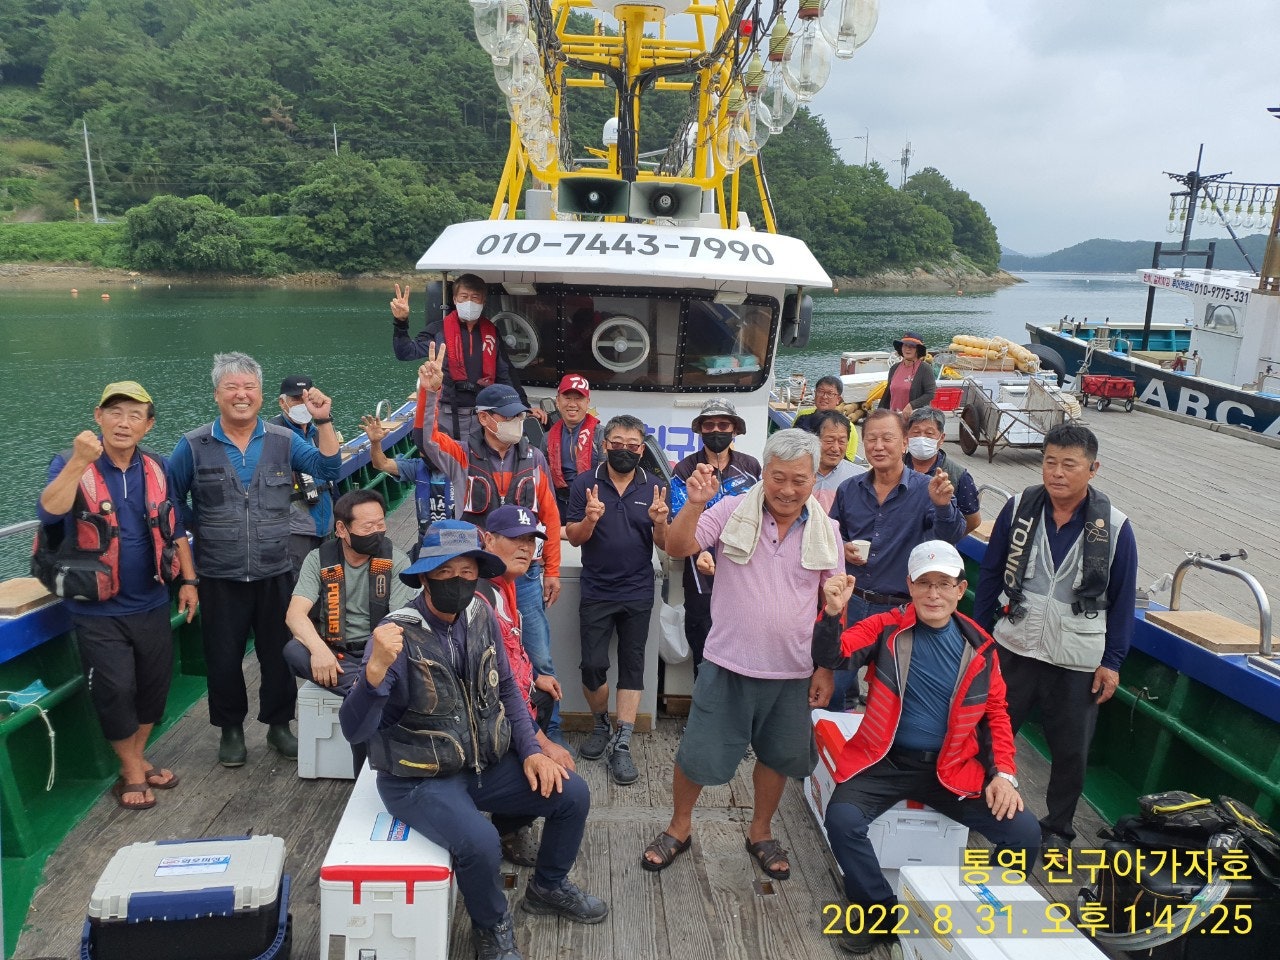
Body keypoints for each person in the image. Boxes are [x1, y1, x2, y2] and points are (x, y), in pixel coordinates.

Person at [339, 520, 606, 960]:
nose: (457, 582)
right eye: (444, 572)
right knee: (480, 842)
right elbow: (355, 730)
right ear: (425, 577)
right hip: (418, 778)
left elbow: (508, 690)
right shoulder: (395, 635)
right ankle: (491, 928)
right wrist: (373, 674)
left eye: (466, 572)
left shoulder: (481, 614)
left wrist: (533, 750)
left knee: (572, 793)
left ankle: (548, 886)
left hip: (483, 762)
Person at [812, 541, 1040, 955]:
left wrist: (1003, 774)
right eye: (924, 583)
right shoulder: (885, 627)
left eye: (944, 584)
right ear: (910, 586)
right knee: (843, 821)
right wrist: (831, 614)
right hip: (884, 760)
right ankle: (880, 913)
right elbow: (835, 654)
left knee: (1024, 833)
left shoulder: (981, 646)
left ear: (960, 589)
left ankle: (974, 911)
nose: (933, 594)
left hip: (951, 768)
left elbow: (996, 713)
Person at [641, 429, 839, 880]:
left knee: (777, 757)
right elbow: (676, 547)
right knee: (697, 755)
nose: (787, 490)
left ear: (814, 479)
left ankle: (760, 831)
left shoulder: (827, 531)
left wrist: (825, 668)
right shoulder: (731, 510)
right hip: (727, 662)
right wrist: (694, 504)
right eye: (778, 477)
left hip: (793, 671)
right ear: (763, 473)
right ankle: (679, 826)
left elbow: (833, 607)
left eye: (799, 480)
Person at [168, 352, 342, 767]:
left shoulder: (283, 440)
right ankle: (230, 730)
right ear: (217, 395)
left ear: (261, 396)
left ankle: (279, 726)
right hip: (218, 572)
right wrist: (203, 527)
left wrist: (324, 421)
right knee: (223, 657)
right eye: (232, 387)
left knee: (278, 654)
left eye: (249, 387)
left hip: (276, 568)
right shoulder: (193, 445)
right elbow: (171, 501)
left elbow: (328, 467)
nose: (241, 395)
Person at [974, 423, 1137, 854]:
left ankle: (1058, 828)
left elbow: (1123, 601)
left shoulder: (1115, 527)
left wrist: (1113, 662)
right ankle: (980, 804)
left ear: (1093, 469)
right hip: (1014, 644)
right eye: (1050, 462)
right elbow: (990, 574)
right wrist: (978, 637)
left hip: (1076, 658)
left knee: (1070, 751)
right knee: (990, 731)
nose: (1057, 473)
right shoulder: (1018, 508)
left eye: (1069, 464)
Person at [35, 381, 198, 810]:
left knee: (154, 688)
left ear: (148, 425)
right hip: (97, 609)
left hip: (152, 600)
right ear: (98, 417)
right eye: (115, 412)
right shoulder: (70, 462)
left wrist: (190, 581)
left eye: (134, 415)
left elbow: (175, 527)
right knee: (116, 689)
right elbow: (48, 512)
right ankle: (131, 771)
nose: (124, 423)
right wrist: (78, 462)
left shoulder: (157, 466)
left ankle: (137, 757)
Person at [414, 345, 566, 744]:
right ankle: (491, 731)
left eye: (520, 415)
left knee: (539, 654)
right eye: (509, 416)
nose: (517, 422)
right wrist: (430, 392)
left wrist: (551, 569)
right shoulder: (460, 456)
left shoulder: (534, 459)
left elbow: (550, 516)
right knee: (478, 651)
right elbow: (426, 440)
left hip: (524, 576)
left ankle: (550, 732)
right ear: (484, 418)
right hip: (477, 576)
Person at [826, 409, 965, 710]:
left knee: (895, 695)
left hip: (899, 609)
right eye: (871, 439)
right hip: (854, 602)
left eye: (887, 438)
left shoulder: (927, 489)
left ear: (904, 443)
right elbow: (832, 534)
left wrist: (943, 506)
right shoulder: (849, 489)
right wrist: (843, 547)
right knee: (833, 686)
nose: (878, 446)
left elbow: (950, 537)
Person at [565, 414, 669, 785]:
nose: (625, 450)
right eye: (617, 444)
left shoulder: (655, 487)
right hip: (596, 589)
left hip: (638, 590)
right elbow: (574, 537)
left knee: (632, 665)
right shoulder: (585, 484)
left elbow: (664, 543)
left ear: (642, 449)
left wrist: (660, 522)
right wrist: (590, 520)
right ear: (604, 445)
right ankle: (600, 725)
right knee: (593, 666)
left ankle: (622, 741)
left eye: (633, 445)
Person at [283, 489, 417, 774]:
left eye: (381, 524)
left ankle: (361, 691)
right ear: (342, 529)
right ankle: (364, 690)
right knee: (293, 650)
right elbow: (295, 615)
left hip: (376, 653)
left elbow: (396, 624)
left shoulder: (396, 561)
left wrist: (375, 662)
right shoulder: (319, 559)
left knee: (392, 665)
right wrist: (319, 650)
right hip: (335, 654)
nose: (377, 532)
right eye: (368, 527)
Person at [477, 504, 577, 868]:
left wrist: (534, 677)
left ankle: (511, 819)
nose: (525, 548)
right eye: (514, 539)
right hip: (486, 721)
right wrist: (540, 744)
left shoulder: (505, 584)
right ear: (488, 540)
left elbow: (510, 655)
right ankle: (509, 826)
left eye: (530, 541)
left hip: (511, 703)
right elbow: (491, 689)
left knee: (546, 693)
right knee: (567, 786)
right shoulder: (480, 599)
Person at [668, 398, 761, 675]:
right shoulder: (685, 469)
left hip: (744, 576)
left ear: (735, 430)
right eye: (709, 425)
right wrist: (702, 552)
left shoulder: (752, 467)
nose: (716, 430)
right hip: (700, 579)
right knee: (704, 656)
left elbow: (760, 516)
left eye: (723, 424)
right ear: (700, 430)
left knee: (744, 652)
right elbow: (679, 521)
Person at [388, 276, 544, 441]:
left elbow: (506, 373)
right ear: (455, 299)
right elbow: (405, 352)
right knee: (446, 454)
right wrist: (401, 322)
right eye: (464, 296)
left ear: (483, 301)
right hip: (447, 413)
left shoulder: (492, 333)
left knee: (482, 455)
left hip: (484, 414)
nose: (469, 302)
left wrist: (525, 407)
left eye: (475, 297)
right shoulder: (438, 331)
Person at [271, 375, 335, 577]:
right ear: (282, 403)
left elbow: (334, 472)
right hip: (294, 530)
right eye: (295, 399)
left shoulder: (320, 432)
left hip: (326, 524)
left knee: (328, 582)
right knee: (298, 582)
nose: (302, 404)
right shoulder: (273, 436)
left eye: (306, 398)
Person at [361, 413, 457, 539]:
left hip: (460, 538)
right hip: (428, 540)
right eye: (423, 449)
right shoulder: (417, 467)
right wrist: (375, 443)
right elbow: (381, 464)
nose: (426, 453)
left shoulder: (463, 469)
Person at [905, 406, 981, 534]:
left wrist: (947, 539)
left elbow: (973, 520)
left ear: (941, 438)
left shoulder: (958, 475)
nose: (922, 438)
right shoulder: (894, 466)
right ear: (907, 436)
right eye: (916, 433)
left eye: (929, 434)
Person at [544, 374, 602, 522]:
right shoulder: (546, 438)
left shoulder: (601, 435)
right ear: (557, 401)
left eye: (578, 398)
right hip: (559, 505)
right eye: (567, 398)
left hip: (593, 506)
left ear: (587, 402)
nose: (572, 404)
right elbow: (542, 479)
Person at [793, 375, 859, 460]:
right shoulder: (802, 416)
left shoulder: (847, 426)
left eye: (830, 394)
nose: (824, 397)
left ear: (838, 399)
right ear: (815, 393)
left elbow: (848, 459)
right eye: (820, 392)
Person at [810, 410, 864, 511]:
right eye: (829, 441)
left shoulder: (860, 479)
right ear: (814, 440)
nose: (835, 448)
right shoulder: (798, 473)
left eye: (842, 441)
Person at [878, 332, 936, 416]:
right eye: (905, 345)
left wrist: (912, 405)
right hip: (895, 417)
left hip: (915, 418)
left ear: (918, 349)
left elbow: (930, 394)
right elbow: (888, 394)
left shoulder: (925, 369)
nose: (907, 349)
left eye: (912, 346)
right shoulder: (894, 368)